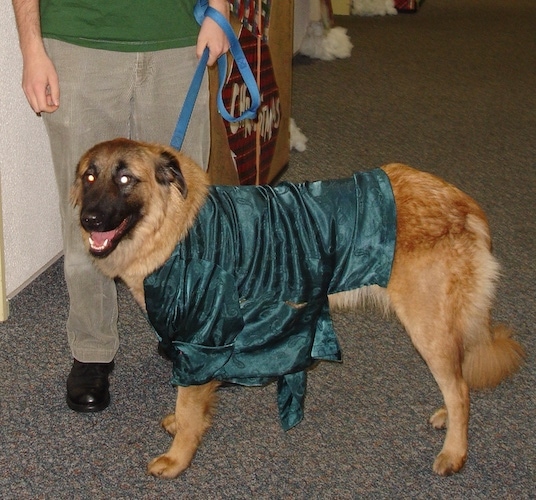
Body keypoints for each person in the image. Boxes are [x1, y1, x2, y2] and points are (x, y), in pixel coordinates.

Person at [12, 0, 230, 413]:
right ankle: (92, 349)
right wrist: (32, 48)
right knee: (89, 214)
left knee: (183, 213)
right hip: (80, 42)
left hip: (176, 38)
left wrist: (219, 10)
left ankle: (183, 332)